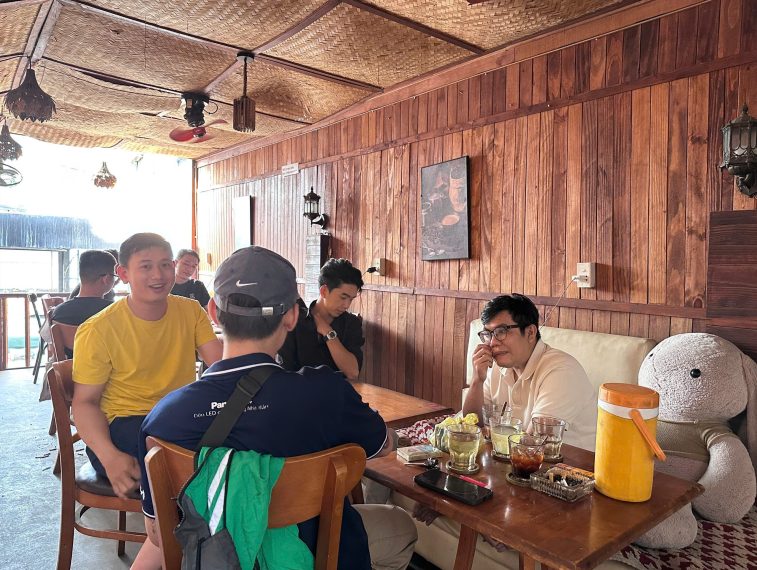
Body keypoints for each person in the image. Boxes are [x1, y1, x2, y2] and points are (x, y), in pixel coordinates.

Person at [132, 246, 417, 570]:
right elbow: (382, 445)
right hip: (317, 555)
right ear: (292, 316)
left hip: (216, 558)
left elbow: (157, 534)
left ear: (213, 312)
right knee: (401, 526)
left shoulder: (163, 419)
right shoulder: (326, 392)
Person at [71, 233, 222, 499]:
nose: (158, 275)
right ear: (123, 273)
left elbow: (222, 368)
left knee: (237, 450)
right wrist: (109, 456)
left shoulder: (191, 311)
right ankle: (172, 524)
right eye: (146, 266)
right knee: (199, 469)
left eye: (165, 265)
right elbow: (84, 403)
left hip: (179, 417)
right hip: (122, 427)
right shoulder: (98, 329)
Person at [462, 293, 597, 450]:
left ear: (530, 333)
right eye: (488, 334)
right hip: (517, 460)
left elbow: (535, 442)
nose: (492, 343)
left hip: (571, 463)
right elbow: (472, 423)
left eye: (501, 331)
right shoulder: (499, 366)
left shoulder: (562, 370)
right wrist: (477, 380)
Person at [278, 258, 365, 380]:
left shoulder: (351, 323)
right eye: (343, 297)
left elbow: (353, 372)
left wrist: (328, 333)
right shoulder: (295, 321)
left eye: (351, 299)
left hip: (337, 391)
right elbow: (285, 372)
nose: (347, 305)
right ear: (324, 291)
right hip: (299, 390)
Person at [50, 249, 117, 358]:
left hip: (70, 367)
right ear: (106, 279)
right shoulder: (113, 312)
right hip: (106, 367)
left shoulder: (58, 312)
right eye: (114, 276)